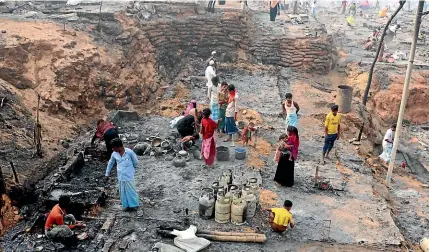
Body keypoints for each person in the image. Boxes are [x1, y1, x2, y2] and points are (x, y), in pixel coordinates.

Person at [105, 138, 139, 211]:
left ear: (119, 146)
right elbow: (110, 163)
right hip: (120, 176)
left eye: (114, 147)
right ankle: (126, 205)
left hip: (129, 175)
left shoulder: (129, 152)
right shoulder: (114, 154)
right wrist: (107, 173)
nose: (112, 149)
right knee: (122, 191)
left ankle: (134, 205)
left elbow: (135, 162)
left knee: (131, 190)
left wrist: (131, 170)